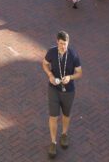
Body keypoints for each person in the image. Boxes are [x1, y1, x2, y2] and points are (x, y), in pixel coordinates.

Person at [42, 31, 82, 159]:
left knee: (66, 115)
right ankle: (53, 142)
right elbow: (44, 63)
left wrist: (70, 77)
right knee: (53, 116)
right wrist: (50, 75)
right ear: (57, 42)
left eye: (65, 44)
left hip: (68, 90)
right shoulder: (52, 52)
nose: (63, 46)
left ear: (68, 43)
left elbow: (79, 72)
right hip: (53, 88)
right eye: (61, 43)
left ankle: (64, 134)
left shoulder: (73, 55)